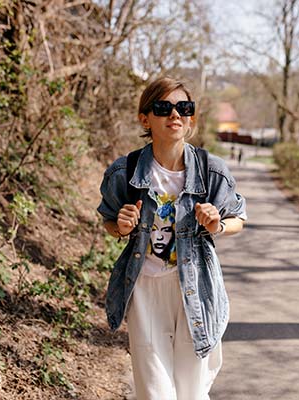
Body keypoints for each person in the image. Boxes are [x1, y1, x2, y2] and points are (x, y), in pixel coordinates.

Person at [97, 76, 247, 400]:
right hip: (145, 290)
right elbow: (109, 220)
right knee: (155, 394)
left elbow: (239, 220)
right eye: (164, 107)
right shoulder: (125, 171)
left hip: (195, 289)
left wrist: (217, 225)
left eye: (184, 107)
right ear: (145, 118)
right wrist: (121, 227)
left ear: (191, 116)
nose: (175, 115)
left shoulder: (211, 170)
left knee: (192, 393)